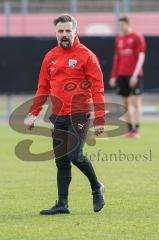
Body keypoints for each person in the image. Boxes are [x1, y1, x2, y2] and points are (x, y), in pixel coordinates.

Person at [25, 14, 106, 215]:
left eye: (68, 31)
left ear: (75, 31)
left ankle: (97, 187)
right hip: (58, 115)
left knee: (74, 155)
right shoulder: (50, 56)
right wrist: (33, 113)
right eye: (60, 31)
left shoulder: (87, 56)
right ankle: (62, 204)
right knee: (61, 160)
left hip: (80, 113)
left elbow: (98, 88)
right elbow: (42, 88)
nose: (64, 34)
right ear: (56, 33)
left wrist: (100, 119)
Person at [109, 16, 146, 138]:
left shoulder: (137, 37)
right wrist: (114, 76)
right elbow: (117, 58)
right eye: (119, 25)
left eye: (122, 25)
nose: (121, 28)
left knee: (136, 102)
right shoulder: (119, 39)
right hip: (122, 75)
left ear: (128, 24)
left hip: (134, 75)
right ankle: (130, 130)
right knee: (125, 103)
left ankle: (137, 130)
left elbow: (141, 57)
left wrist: (135, 75)